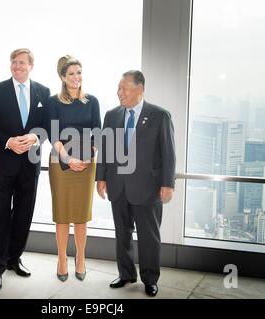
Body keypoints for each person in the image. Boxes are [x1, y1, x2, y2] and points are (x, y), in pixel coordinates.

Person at [96, 70, 175, 297]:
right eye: (118, 88)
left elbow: (168, 153)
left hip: (148, 188)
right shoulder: (112, 115)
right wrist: (100, 177)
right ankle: (126, 273)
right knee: (122, 233)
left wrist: (167, 184)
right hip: (117, 185)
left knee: (149, 236)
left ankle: (150, 278)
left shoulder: (160, 116)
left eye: (124, 88)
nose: (119, 92)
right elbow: (106, 149)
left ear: (139, 89)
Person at [0, 48, 51, 291]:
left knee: (24, 212)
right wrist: (9, 141)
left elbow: (47, 126)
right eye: (13, 62)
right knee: (0, 213)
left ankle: (14, 259)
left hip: (30, 163)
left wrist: (33, 138)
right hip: (4, 162)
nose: (17, 66)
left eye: (22, 63)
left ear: (31, 65)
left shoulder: (43, 91)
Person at [48, 55, 101, 282]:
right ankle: (62, 260)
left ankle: (80, 259)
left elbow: (97, 133)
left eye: (79, 72)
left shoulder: (93, 101)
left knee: (81, 215)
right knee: (62, 215)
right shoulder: (53, 102)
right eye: (71, 73)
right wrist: (68, 159)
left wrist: (89, 157)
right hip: (61, 161)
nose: (76, 77)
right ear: (62, 76)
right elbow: (53, 135)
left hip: (87, 162)